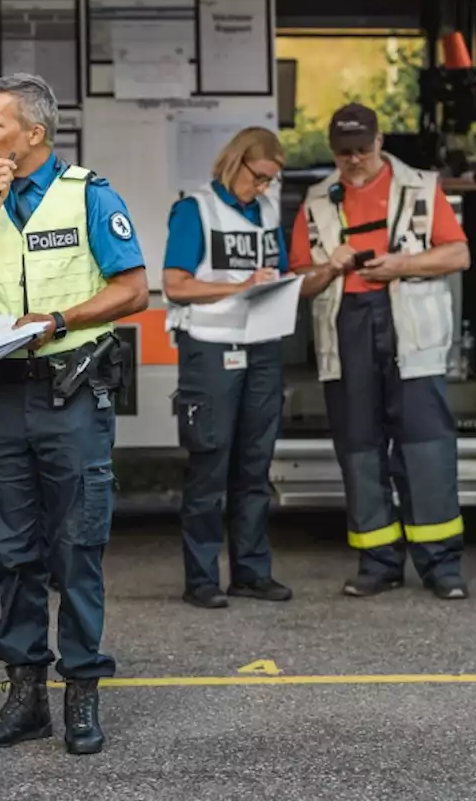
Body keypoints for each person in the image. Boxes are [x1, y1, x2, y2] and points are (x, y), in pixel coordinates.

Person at [0, 73, 148, 755]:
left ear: (34, 133)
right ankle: (24, 694)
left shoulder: (89, 194)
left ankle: (81, 690)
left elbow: (134, 289)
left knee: (77, 547)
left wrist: (59, 317)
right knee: (12, 548)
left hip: (71, 394)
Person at [294, 102, 471, 600]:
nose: (353, 160)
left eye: (361, 149)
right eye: (343, 151)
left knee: (426, 448)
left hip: (409, 330)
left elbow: (459, 254)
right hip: (346, 328)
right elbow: (300, 284)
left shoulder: (420, 186)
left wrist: (400, 264)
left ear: (380, 142)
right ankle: (378, 562)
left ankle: (442, 566)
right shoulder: (317, 200)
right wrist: (330, 267)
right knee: (360, 449)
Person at [162, 127, 311, 610]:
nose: (264, 188)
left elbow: (280, 269)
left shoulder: (267, 210)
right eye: (260, 177)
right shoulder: (196, 209)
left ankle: (251, 572)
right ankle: (201, 579)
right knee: (209, 463)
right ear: (236, 162)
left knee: (255, 463)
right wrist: (238, 286)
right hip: (209, 346)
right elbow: (176, 285)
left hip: (262, 344)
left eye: (271, 180)